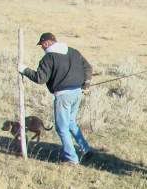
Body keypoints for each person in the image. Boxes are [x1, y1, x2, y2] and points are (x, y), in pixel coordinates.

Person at [18, 32, 93, 165]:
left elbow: (40, 78)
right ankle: (86, 149)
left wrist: (24, 70)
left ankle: (72, 159)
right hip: (77, 93)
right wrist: (86, 84)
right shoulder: (73, 52)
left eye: (42, 45)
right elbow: (88, 67)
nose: (42, 48)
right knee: (71, 122)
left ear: (46, 43)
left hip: (63, 96)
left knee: (61, 128)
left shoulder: (48, 58)